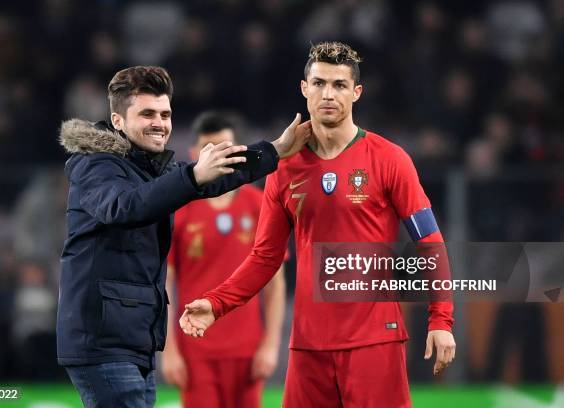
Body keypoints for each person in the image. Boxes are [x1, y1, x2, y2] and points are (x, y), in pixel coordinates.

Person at [179, 42, 456, 407]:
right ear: (304, 88)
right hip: (308, 347)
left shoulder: (390, 159)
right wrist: (216, 304)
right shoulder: (284, 170)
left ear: (356, 92)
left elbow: (430, 241)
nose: (329, 94)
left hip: (375, 341)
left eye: (340, 85)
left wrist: (441, 319)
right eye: (320, 83)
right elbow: (265, 257)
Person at [56, 66, 311, 408]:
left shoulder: (148, 170)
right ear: (117, 120)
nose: (159, 123)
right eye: (147, 113)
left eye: (165, 114)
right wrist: (193, 176)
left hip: (132, 343)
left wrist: (274, 151)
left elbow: (215, 177)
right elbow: (124, 207)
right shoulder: (95, 165)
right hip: (104, 343)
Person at [162, 111, 286, 407]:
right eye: (209, 148)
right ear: (194, 154)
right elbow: (163, 286)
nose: (219, 155)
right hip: (195, 351)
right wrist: (169, 351)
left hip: (247, 350)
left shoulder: (260, 205)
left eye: (226, 147)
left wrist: (270, 346)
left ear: (240, 153)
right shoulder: (178, 210)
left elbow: (275, 284)